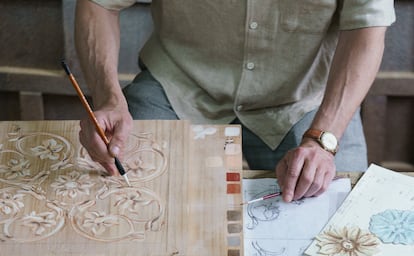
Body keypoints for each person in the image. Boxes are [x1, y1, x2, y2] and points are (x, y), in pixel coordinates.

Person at [74, 0, 395, 202]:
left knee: (339, 216)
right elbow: (99, 4)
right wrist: (107, 97)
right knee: (119, 193)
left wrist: (322, 140)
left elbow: (367, 29)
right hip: (180, 84)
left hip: (303, 98)